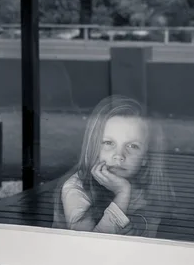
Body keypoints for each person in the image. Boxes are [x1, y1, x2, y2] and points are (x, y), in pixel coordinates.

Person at [52, 95, 175, 237]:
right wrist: (122, 194)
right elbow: (90, 247)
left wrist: (141, 223)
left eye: (132, 146)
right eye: (109, 143)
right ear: (94, 148)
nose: (119, 155)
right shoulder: (76, 187)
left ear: (145, 157)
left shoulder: (149, 188)